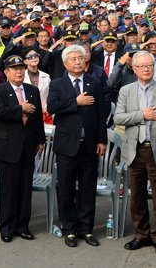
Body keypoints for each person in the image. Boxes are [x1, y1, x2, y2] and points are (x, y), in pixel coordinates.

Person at [114, 50, 156, 257]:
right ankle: (141, 235)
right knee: (137, 196)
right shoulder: (126, 90)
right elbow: (119, 119)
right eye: (141, 66)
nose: (145, 69)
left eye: (149, 65)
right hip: (134, 150)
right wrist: (142, 115)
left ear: (154, 67)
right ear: (133, 68)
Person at [47, 44, 107, 248]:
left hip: (90, 145)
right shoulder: (57, 84)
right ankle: (69, 229)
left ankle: (86, 229)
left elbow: (101, 114)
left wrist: (102, 140)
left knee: (88, 188)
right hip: (66, 145)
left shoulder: (94, 83)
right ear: (65, 63)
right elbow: (52, 107)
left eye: (81, 58)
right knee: (65, 188)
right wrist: (76, 102)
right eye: (73, 59)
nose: (78, 61)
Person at [0, 55, 45, 242]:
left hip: (28, 147)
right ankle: (7, 228)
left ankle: (23, 226)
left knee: (24, 189)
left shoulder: (32, 90)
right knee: (8, 190)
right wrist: (20, 108)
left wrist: (40, 139)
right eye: (14, 68)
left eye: (21, 68)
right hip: (7, 147)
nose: (19, 71)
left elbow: (37, 118)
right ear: (6, 72)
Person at [21, 45, 51, 124]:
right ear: (24, 61)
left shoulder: (46, 76)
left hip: (44, 112)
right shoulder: (21, 77)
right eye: (30, 57)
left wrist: (48, 106)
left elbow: (51, 94)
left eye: (35, 55)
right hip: (26, 112)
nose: (34, 58)